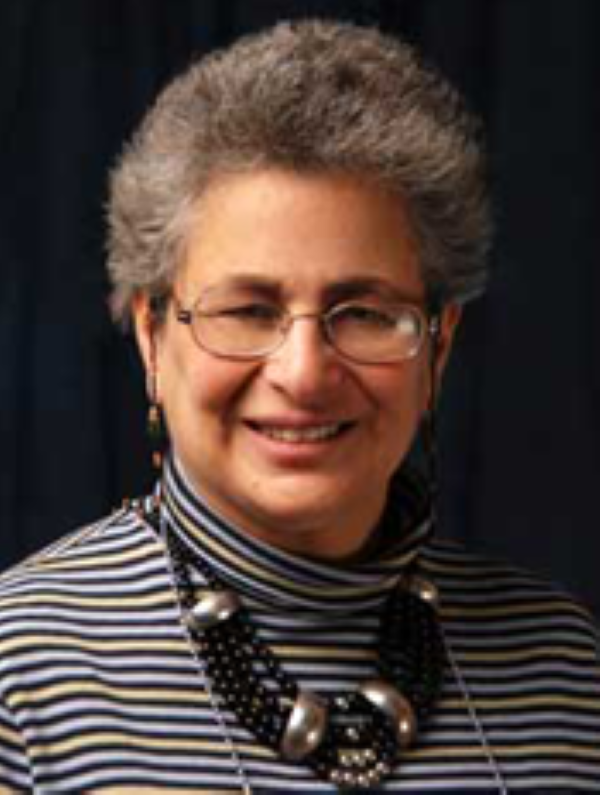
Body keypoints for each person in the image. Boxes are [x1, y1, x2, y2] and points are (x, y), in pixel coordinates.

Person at [0, 19, 598, 794]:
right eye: (248, 310)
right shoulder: (19, 675)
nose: (305, 372)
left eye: (365, 312)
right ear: (151, 336)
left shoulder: (571, 675)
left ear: (439, 346)